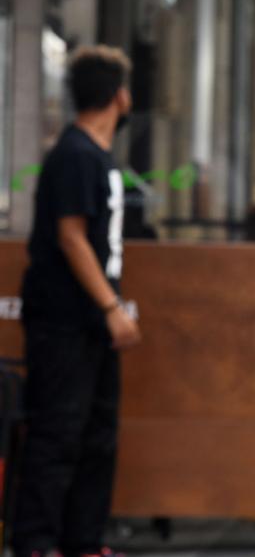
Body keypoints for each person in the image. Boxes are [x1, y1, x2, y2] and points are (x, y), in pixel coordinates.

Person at [15, 46, 140, 557]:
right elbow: (71, 238)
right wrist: (112, 307)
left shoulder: (93, 153)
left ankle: (82, 540)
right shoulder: (73, 154)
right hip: (64, 318)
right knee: (57, 433)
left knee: (96, 433)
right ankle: (36, 544)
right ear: (119, 96)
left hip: (91, 320)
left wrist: (107, 311)